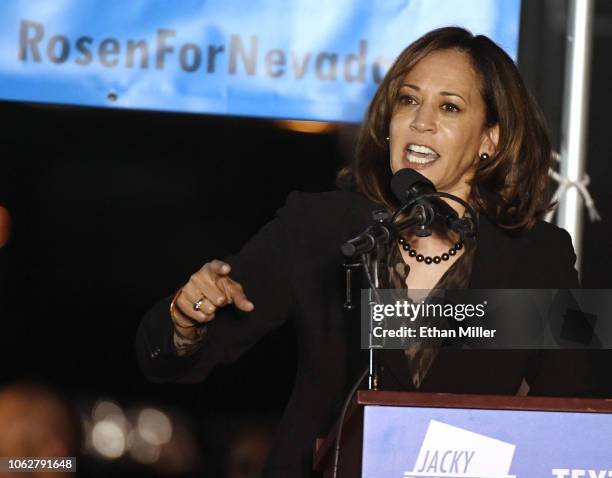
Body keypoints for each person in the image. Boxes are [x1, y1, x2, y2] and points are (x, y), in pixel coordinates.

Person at [136, 27, 592, 477]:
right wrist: (185, 320)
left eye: (449, 107)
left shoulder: (540, 256)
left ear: (490, 140)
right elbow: (176, 357)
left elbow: (577, 413)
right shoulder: (319, 226)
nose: (420, 121)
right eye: (408, 99)